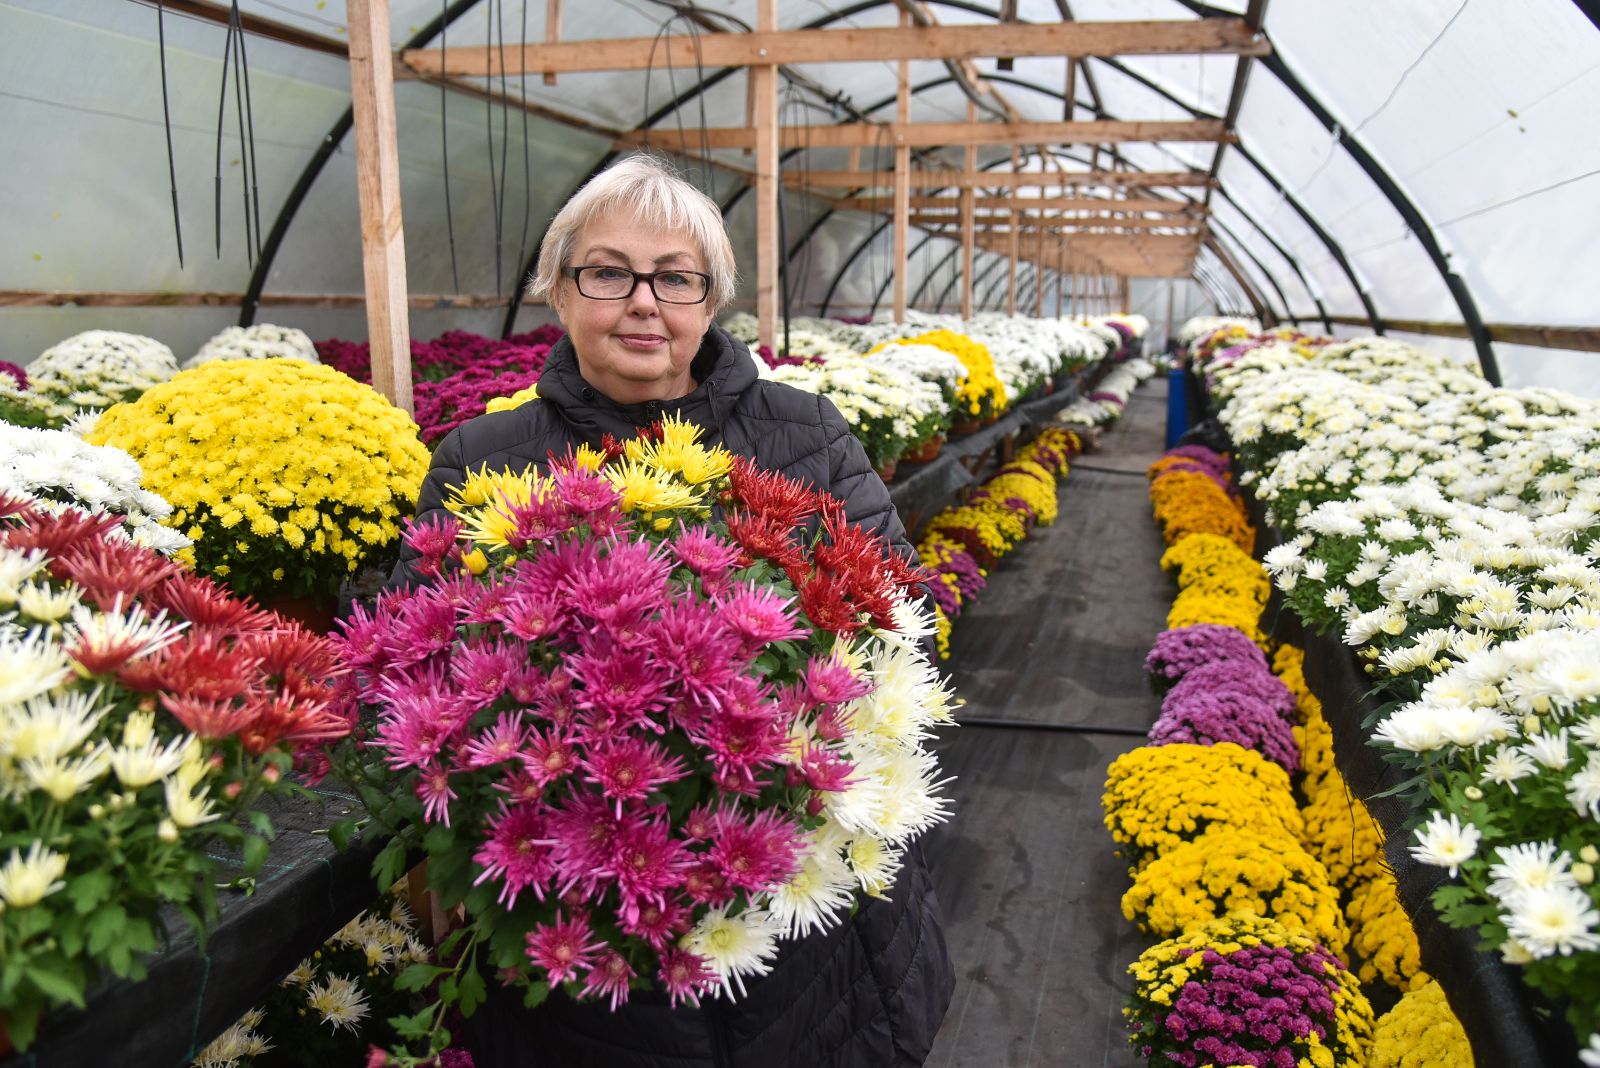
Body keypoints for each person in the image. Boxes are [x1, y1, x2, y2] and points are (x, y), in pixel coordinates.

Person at [389, 153, 955, 1067]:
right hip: (585, 932)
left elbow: (906, 622)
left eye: (676, 278)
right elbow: (419, 663)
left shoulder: (806, 433)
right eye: (609, 273)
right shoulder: (483, 457)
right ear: (560, 292)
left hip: (808, 938)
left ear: (710, 300)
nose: (644, 302)